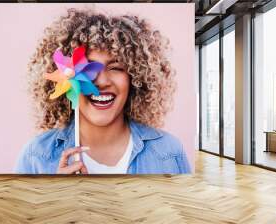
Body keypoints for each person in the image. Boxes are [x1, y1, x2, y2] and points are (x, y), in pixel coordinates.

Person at [15, 8, 191, 174]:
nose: (101, 81)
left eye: (116, 67)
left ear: (136, 78)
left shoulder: (170, 152)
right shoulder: (35, 156)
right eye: (86, 68)